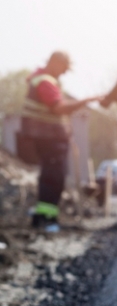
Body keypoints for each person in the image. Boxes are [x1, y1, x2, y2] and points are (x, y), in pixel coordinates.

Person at [18, 52, 101, 231]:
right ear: (55, 63)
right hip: (49, 140)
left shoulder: (40, 79)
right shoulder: (45, 82)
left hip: (48, 139)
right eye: (63, 69)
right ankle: (47, 219)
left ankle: (44, 216)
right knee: (53, 178)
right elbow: (58, 108)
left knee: (50, 177)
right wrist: (86, 101)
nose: (63, 73)